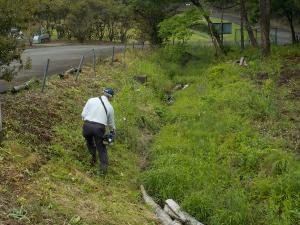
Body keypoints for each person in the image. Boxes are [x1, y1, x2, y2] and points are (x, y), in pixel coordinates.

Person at [81, 88, 115, 174]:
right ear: (111, 97)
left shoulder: (91, 100)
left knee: (89, 142)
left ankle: (93, 158)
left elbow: (83, 114)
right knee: (101, 148)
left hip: (87, 126)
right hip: (99, 128)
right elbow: (111, 124)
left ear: (103, 93)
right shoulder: (110, 107)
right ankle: (103, 170)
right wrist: (112, 132)